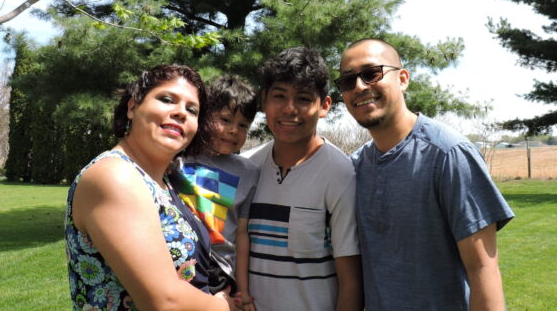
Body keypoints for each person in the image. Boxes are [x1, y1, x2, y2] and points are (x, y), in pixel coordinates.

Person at [337, 39, 515, 311]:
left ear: (403, 79)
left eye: (372, 73)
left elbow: (483, 268)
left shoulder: (449, 154)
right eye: (348, 81)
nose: (359, 86)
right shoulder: (355, 166)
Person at [65, 64, 231, 310]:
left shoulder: (162, 182)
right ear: (132, 107)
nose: (181, 112)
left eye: (192, 110)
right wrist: (225, 307)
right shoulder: (115, 175)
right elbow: (164, 302)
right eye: (167, 99)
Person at [242, 47, 363, 311]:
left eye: (304, 98)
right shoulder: (246, 167)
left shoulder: (340, 174)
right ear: (264, 100)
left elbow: (351, 282)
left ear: (325, 106)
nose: (289, 109)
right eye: (279, 96)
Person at [168, 75, 260, 310]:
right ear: (205, 115)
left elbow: (241, 235)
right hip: (176, 258)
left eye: (243, 125)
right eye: (225, 120)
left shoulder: (249, 172)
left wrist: (243, 290)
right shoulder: (177, 158)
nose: (233, 130)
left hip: (219, 271)